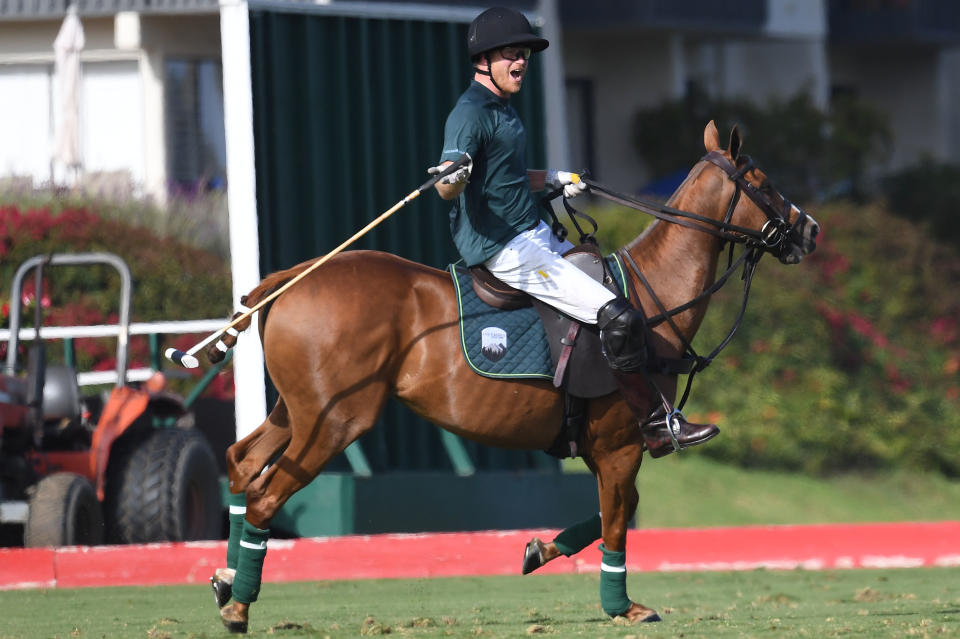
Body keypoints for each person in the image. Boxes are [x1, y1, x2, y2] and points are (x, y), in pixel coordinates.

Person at [429, 6, 718, 458]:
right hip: (504, 248)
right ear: (483, 59)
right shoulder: (469, 113)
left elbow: (503, 177)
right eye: (510, 53)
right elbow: (448, 184)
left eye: (524, 53)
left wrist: (553, 179)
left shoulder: (502, 110)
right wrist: (453, 175)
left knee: (615, 290)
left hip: (532, 233)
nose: (521, 61)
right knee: (619, 316)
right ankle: (653, 424)